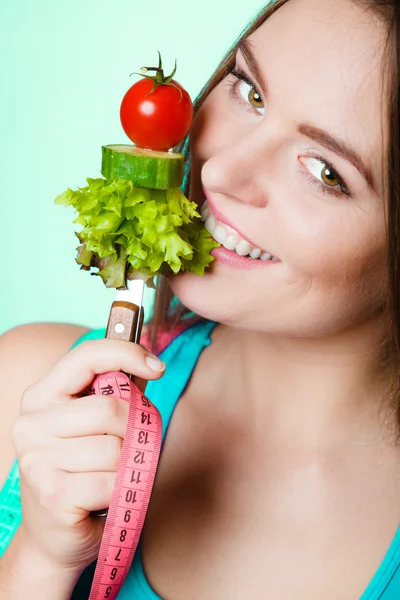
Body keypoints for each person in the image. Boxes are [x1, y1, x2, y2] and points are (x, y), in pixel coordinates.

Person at [0, 0, 399, 597]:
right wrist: (38, 561)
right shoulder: (25, 391)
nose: (220, 172)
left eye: (324, 171)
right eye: (250, 93)